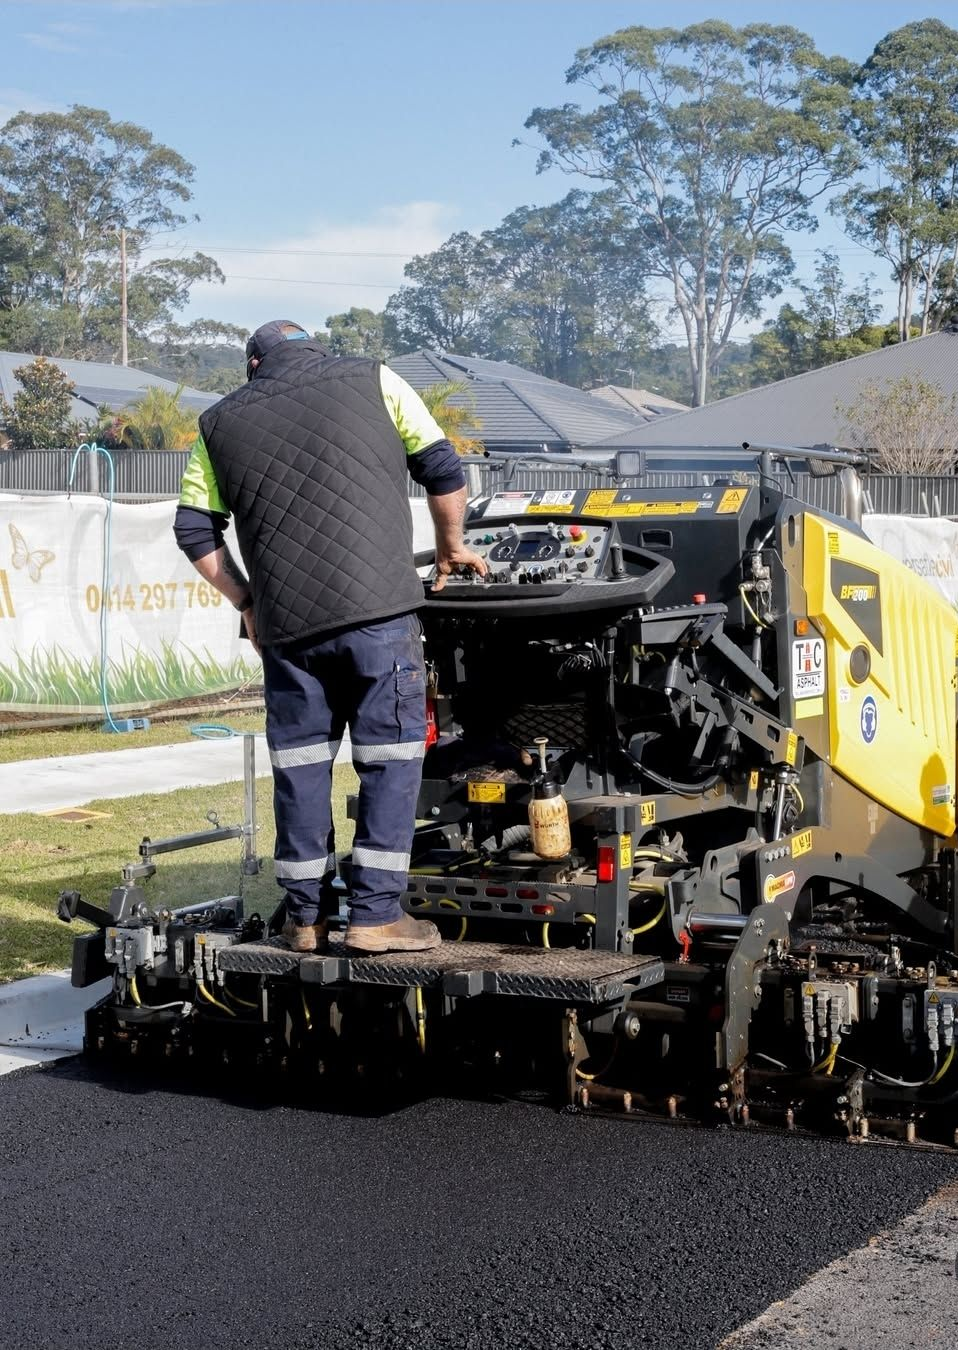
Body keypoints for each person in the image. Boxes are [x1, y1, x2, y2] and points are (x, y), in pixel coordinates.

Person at [173, 319, 486, 955]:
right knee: (390, 764)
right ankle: (375, 916)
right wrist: (451, 547)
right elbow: (444, 470)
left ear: (254, 365)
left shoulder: (217, 423)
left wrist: (247, 602)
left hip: (288, 631)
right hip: (380, 617)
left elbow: (193, 531)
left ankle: (305, 921)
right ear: (314, 348)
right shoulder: (375, 378)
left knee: (302, 770)